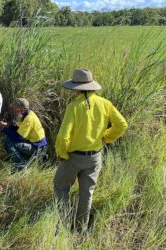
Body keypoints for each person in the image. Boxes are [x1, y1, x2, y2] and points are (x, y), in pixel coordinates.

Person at [53, 69, 128, 231]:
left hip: (73, 157)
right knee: (87, 193)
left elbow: (63, 136)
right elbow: (122, 125)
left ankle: (64, 225)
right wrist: (106, 138)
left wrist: (62, 153)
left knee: (61, 186)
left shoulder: (73, 106)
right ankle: (81, 228)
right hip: (95, 157)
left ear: (77, 88)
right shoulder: (105, 103)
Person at [0, 98, 48, 171]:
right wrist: (7, 126)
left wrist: (4, 129)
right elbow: (19, 130)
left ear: (21, 109)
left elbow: (18, 137)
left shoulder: (29, 119)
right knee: (10, 140)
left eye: (15, 108)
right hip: (36, 144)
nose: (13, 110)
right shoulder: (27, 114)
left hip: (38, 148)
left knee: (8, 142)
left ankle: (21, 166)